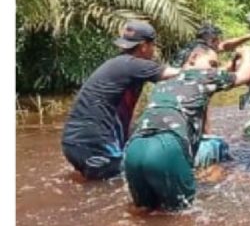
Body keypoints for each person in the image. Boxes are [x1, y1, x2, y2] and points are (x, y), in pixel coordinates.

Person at [123, 44, 250, 211]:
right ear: (193, 58)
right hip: (166, 148)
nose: (214, 68)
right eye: (212, 63)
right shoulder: (205, 76)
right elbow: (244, 75)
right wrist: (248, 54)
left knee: (142, 214)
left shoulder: (165, 82)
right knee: (182, 219)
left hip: (134, 149)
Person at [61, 21, 180, 180]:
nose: (153, 50)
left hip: (76, 143)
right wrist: (216, 71)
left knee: (98, 187)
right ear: (144, 46)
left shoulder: (119, 64)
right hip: (95, 145)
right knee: (118, 187)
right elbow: (175, 73)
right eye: (153, 46)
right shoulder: (132, 64)